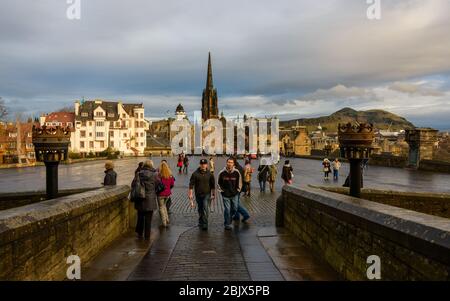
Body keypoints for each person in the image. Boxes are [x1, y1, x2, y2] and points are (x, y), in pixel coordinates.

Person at [134, 160, 160, 240]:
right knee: (148, 219)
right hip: (150, 198)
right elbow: (158, 185)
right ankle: (147, 235)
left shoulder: (138, 173)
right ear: (151, 166)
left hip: (140, 198)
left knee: (140, 216)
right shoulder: (154, 174)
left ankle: (139, 234)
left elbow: (133, 184)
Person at [189, 159, 216, 230]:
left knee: (205, 208)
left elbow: (213, 185)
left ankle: (205, 224)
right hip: (198, 194)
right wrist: (190, 194)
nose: (203, 165)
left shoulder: (210, 174)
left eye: (204, 164)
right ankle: (201, 221)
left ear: (207, 165)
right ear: (200, 164)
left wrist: (213, 194)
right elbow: (191, 185)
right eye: (202, 164)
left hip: (207, 194)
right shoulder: (195, 174)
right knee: (200, 209)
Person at [218, 158, 242, 230]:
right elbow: (219, 183)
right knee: (227, 209)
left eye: (231, 162)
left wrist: (238, 190)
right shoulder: (222, 172)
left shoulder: (237, 172)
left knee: (235, 208)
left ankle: (229, 218)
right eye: (228, 162)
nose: (229, 163)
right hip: (225, 195)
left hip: (234, 194)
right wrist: (222, 191)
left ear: (233, 164)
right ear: (226, 163)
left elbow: (240, 182)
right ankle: (227, 223)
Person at [232, 157, 251, 223]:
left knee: (235, 204)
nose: (228, 164)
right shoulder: (239, 166)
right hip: (238, 188)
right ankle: (236, 216)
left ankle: (245, 214)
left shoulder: (237, 169)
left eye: (230, 162)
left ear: (233, 162)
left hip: (237, 188)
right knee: (236, 202)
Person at [157, 161, 175, 227]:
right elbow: (172, 184)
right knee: (164, 206)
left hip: (160, 194)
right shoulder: (170, 176)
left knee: (161, 207)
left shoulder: (159, 175)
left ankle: (164, 222)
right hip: (167, 194)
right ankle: (167, 219)